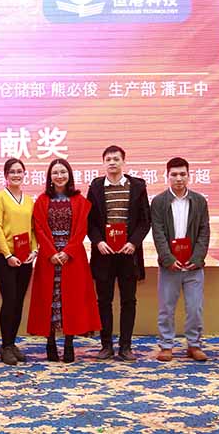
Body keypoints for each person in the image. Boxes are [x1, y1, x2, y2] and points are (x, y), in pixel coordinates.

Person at [27, 158, 100, 363]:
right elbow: (39, 228)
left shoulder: (80, 200)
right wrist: (51, 252)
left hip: (72, 257)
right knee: (49, 300)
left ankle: (69, 343)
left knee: (72, 301)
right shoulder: (42, 200)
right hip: (48, 257)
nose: (59, 176)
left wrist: (68, 251)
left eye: (63, 172)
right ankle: (50, 343)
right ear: (50, 177)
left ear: (69, 175)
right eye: (55, 173)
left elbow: (82, 229)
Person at [87, 145, 151, 362]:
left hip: (128, 254)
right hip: (104, 253)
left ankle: (125, 346)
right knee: (103, 301)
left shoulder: (138, 186)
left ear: (124, 161)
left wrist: (134, 242)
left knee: (128, 300)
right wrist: (98, 242)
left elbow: (145, 220)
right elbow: (89, 221)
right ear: (103, 163)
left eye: (116, 159)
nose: (112, 162)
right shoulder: (96, 187)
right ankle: (106, 345)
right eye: (108, 159)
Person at [150, 157, 210, 362]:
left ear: (189, 175)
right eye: (174, 174)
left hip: (194, 266)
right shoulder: (159, 201)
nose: (178, 178)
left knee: (195, 308)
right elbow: (158, 233)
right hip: (170, 267)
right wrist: (168, 259)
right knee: (166, 308)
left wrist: (197, 258)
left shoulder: (199, 201)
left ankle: (194, 345)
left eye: (182, 174)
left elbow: (204, 231)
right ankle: (166, 345)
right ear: (167, 176)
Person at [0, 158, 37, 365]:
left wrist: (34, 250)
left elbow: (33, 229)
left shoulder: (29, 200)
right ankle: (5, 346)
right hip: (5, 258)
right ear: (6, 175)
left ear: (24, 174)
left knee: (18, 301)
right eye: (12, 172)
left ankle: (12, 342)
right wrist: (8, 255)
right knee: (9, 300)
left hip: (25, 258)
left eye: (19, 171)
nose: (16, 175)